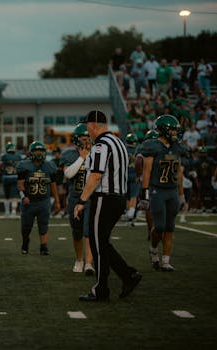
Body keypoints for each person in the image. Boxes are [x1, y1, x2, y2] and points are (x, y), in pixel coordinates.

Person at [75, 110, 141, 302]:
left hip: (104, 198)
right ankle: (128, 275)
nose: (87, 131)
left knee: (98, 243)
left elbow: (96, 175)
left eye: (88, 126)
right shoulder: (118, 142)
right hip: (118, 198)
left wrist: (81, 201)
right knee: (101, 242)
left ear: (94, 125)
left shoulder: (101, 145)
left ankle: (103, 288)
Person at [139, 115, 185, 272]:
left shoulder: (176, 147)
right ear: (164, 129)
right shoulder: (153, 146)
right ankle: (153, 249)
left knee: (170, 226)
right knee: (159, 226)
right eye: (172, 129)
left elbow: (179, 172)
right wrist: (144, 194)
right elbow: (147, 170)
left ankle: (165, 261)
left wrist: (181, 194)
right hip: (157, 189)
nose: (174, 132)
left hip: (171, 190)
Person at [61, 124, 94, 274]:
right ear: (76, 139)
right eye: (83, 138)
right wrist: (82, 157)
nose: (86, 140)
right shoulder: (69, 154)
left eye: (88, 137)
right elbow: (68, 174)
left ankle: (88, 263)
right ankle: (79, 260)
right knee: (77, 232)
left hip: (92, 197)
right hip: (75, 197)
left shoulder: (97, 152)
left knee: (89, 231)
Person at [17, 141, 60, 255]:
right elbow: (20, 184)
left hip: (44, 201)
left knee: (44, 224)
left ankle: (44, 246)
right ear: (31, 152)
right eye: (36, 150)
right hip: (29, 201)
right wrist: (23, 196)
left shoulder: (49, 166)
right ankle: (25, 243)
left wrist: (57, 201)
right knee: (26, 226)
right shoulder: (24, 165)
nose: (39, 153)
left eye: (41, 150)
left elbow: (53, 185)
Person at [135, 129, 159, 240]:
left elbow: (138, 161)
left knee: (148, 207)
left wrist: (140, 176)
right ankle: (157, 230)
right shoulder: (160, 147)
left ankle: (150, 230)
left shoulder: (143, 147)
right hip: (158, 183)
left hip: (146, 182)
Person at [0, 142, 23, 217]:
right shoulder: (18, 157)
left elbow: (0, 165)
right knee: (14, 196)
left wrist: (3, 171)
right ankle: (13, 212)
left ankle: (7, 212)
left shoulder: (4, 156)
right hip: (15, 177)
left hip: (6, 177)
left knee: (6, 196)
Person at [125, 133, 140, 226]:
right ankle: (131, 214)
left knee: (127, 196)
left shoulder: (124, 149)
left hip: (125, 175)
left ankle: (129, 214)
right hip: (135, 175)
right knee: (134, 196)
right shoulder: (138, 150)